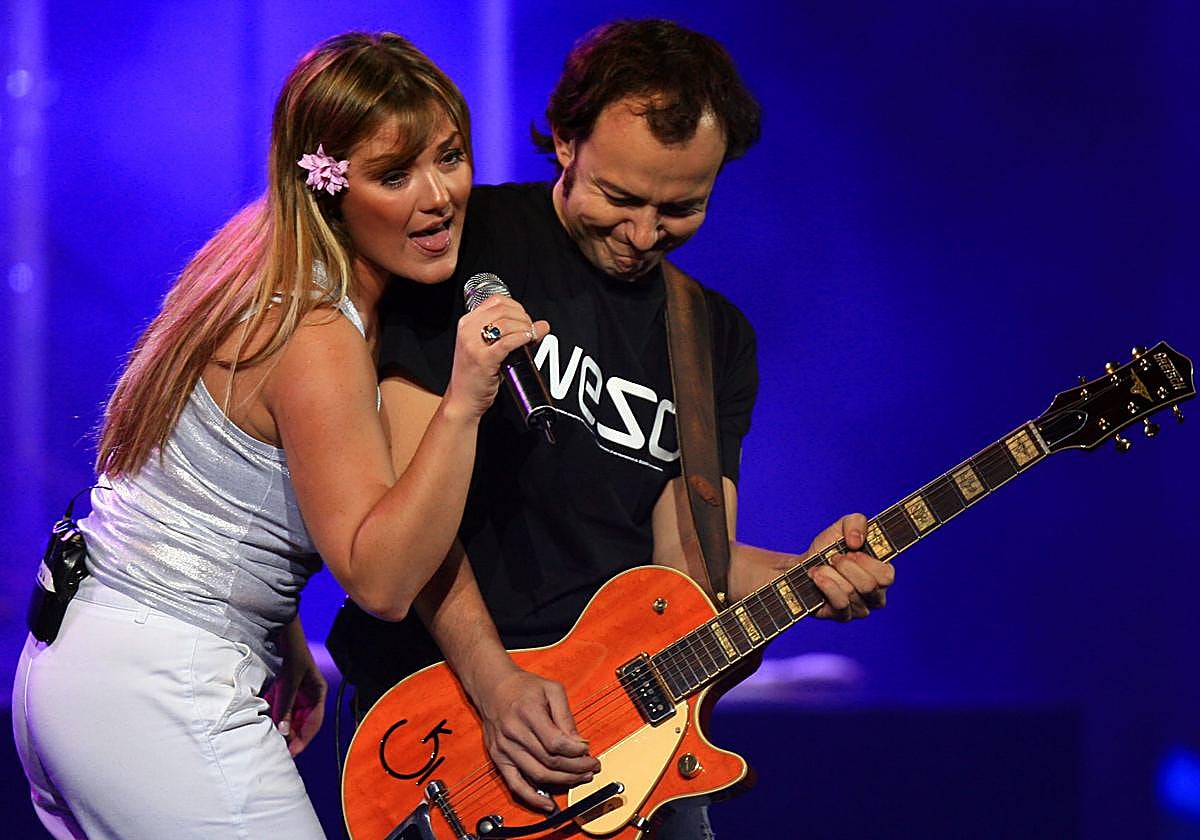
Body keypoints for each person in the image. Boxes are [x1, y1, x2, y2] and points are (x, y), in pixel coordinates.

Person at [328, 19, 895, 838]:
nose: (640, 235)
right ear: (564, 139)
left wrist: (805, 573)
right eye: (620, 198)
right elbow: (405, 519)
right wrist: (496, 685)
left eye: (682, 208)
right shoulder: (461, 244)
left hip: (619, 737)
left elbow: (683, 572)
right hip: (447, 720)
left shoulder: (713, 338)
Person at [11, 32, 547, 840]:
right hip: (156, 687)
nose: (438, 196)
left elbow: (213, 486)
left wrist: (279, 631)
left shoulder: (251, 260)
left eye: (450, 156)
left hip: (76, 668)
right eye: (395, 175)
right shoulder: (318, 334)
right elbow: (382, 582)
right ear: (329, 186)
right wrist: (465, 399)